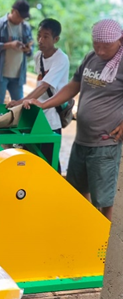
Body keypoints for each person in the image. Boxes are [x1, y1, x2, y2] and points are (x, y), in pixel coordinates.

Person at [24, 19, 123, 221]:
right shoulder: (90, 58)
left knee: (102, 199)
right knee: (77, 189)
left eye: (106, 47)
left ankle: (104, 241)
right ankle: (84, 227)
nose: (101, 51)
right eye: (97, 45)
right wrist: (44, 104)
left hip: (105, 141)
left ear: (119, 40)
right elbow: (72, 86)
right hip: (82, 139)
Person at [7, 18, 69, 172]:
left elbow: (44, 86)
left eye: (46, 36)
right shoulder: (38, 56)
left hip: (51, 116)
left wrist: (20, 101)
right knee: (32, 158)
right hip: (36, 114)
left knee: (50, 161)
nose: (40, 40)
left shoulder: (61, 59)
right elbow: (39, 83)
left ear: (56, 39)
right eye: (39, 35)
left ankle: (54, 192)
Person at [0, 0, 34, 104]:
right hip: (0, 73)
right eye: (20, 16)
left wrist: (28, 49)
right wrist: (9, 45)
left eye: (24, 18)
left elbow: (31, 48)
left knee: (19, 105)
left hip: (18, 74)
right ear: (13, 11)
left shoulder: (26, 27)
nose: (21, 20)